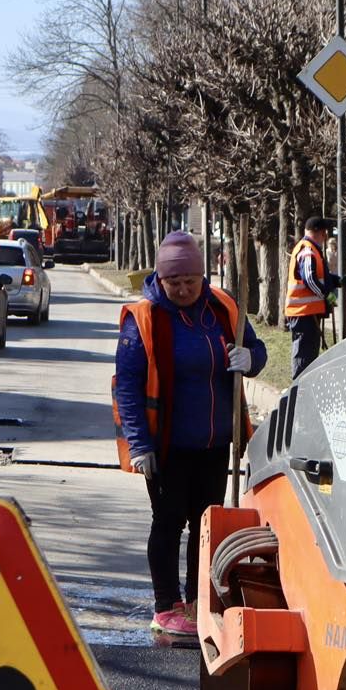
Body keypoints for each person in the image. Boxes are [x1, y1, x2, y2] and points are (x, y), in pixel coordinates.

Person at [114, 231, 268, 639]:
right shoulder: (144, 319)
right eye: (174, 283)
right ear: (160, 281)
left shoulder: (223, 308)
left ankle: (199, 601)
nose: (183, 290)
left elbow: (258, 350)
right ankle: (166, 607)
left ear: (203, 276)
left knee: (207, 524)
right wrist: (139, 445)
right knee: (168, 524)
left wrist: (250, 358)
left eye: (191, 281)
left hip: (215, 444)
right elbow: (127, 387)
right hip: (166, 449)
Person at [284, 216, 339, 379]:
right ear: (321, 233)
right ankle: (299, 390)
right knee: (304, 356)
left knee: (307, 354)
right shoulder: (308, 251)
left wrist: (336, 281)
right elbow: (309, 279)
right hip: (303, 312)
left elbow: (318, 276)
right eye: (325, 234)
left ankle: (302, 388)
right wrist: (326, 295)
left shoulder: (308, 249)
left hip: (306, 312)